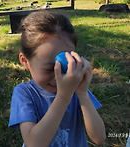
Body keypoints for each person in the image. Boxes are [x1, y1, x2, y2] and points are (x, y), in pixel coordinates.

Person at [8, 10, 106, 146]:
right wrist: (63, 96)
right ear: (25, 61)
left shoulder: (75, 87)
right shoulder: (25, 93)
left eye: (65, 68)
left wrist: (82, 92)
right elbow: (33, 144)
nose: (58, 77)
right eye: (49, 69)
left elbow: (99, 138)